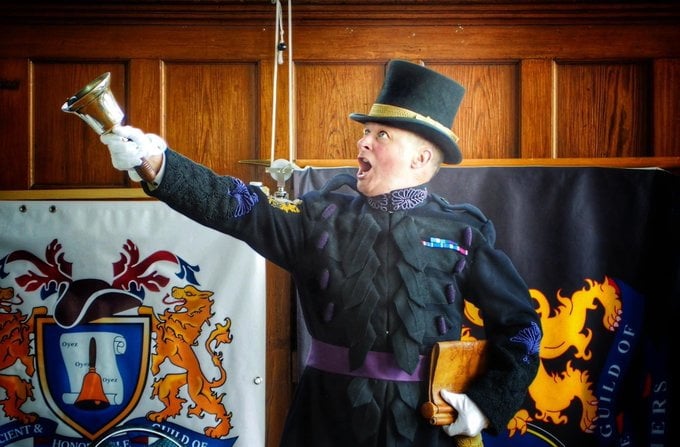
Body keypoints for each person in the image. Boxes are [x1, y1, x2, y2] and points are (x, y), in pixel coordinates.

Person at [100, 59, 541, 447]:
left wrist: (484, 405)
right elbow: (235, 206)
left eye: (381, 134)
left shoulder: (463, 230)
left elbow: (521, 326)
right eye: (365, 132)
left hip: (426, 427)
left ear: (422, 159)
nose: (363, 142)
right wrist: (159, 164)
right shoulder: (316, 218)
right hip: (326, 422)